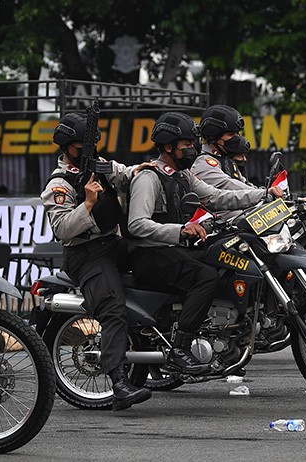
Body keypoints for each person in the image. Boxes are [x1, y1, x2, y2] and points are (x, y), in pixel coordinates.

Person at [126, 111, 267, 376]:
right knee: (206, 278)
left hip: (173, 250)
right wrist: (181, 230)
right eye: (187, 145)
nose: (192, 149)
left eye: (192, 143)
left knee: (223, 261)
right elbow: (137, 224)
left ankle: (225, 340)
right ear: (168, 147)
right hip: (150, 254)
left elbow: (217, 197)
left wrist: (264, 195)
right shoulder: (149, 177)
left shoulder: (183, 175)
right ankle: (179, 348)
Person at [41, 112, 154, 411]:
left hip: (114, 244)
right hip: (85, 254)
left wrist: (144, 170)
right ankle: (119, 382)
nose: (86, 151)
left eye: (89, 144)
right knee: (112, 307)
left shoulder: (98, 165)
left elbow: (125, 172)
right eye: (80, 146)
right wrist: (88, 203)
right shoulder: (59, 184)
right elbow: (62, 229)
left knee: (161, 256)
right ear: (67, 146)